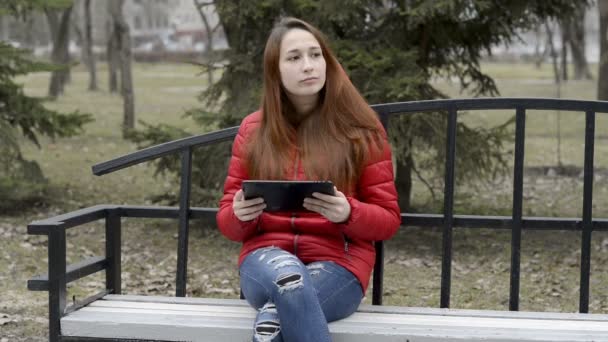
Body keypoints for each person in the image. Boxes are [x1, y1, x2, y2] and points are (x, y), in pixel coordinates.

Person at [216, 17, 401, 342]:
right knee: (288, 277)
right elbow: (228, 225)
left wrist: (348, 213)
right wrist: (239, 215)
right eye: (294, 57)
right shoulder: (253, 131)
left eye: (316, 55)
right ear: (275, 70)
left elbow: (387, 220)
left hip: (339, 266)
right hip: (264, 260)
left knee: (272, 323)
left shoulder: (361, 129)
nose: (308, 66)